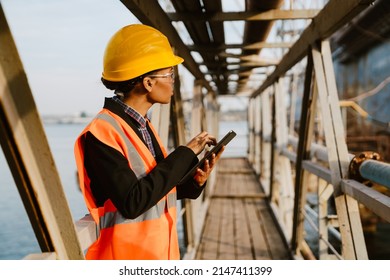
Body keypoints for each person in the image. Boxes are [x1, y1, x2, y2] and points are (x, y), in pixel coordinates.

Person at [74, 24, 225, 260]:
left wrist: (194, 183)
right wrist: (187, 152)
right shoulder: (101, 132)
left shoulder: (142, 126)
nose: (174, 82)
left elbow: (157, 190)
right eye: (170, 75)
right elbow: (133, 202)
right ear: (148, 83)